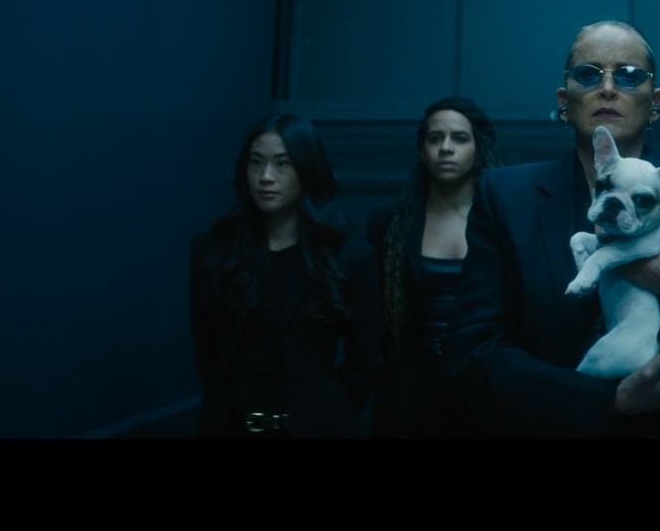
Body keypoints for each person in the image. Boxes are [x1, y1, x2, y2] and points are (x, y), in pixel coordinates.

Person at [443, 20, 660, 438]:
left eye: (629, 75)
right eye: (588, 74)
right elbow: (472, 350)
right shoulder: (504, 196)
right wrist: (604, 402)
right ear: (564, 100)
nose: (607, 87)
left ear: (655, 102)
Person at [189, 113, 382, 438]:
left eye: (282, 163)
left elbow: (364, 365)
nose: (266, 176)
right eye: (256, 162)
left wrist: (324, 416)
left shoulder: (350, 259)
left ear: (308, 169)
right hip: (228, 427)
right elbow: (206, 352)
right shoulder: (211, 251)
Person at [366, 97, 502, 438]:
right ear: (421, 150)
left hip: (484, 382)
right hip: (410, 386)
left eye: (459, 138)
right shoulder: (389, 224)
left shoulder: (503, 221)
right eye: (435, 138)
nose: (446, 148)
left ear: (478, 148)